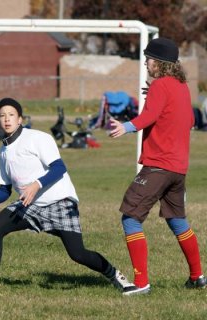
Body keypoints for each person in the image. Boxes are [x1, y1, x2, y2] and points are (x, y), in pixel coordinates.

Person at [0, 97, 132, 293]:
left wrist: (36, 185)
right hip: (30, 205)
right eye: (2, 116)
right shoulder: (3, 151)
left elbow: (59, 167)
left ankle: (115, 275)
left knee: (77, 254)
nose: (7, 119)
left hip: (60, 202)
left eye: (11, 115)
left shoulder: (38, 138)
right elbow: (5, 190)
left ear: (20, 119)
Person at [109, 37, 206, 296]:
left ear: (160, 63)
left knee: (130, 218)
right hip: (178, 169)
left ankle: (141, 283)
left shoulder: (161, 85)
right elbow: (186, 119)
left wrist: (125, 126)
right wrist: (153, 95)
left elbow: (150, 116)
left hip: (158, 166)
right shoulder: (180, 86)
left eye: (149, 59)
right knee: (177, 221)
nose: (146, 63)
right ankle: (197, 276)